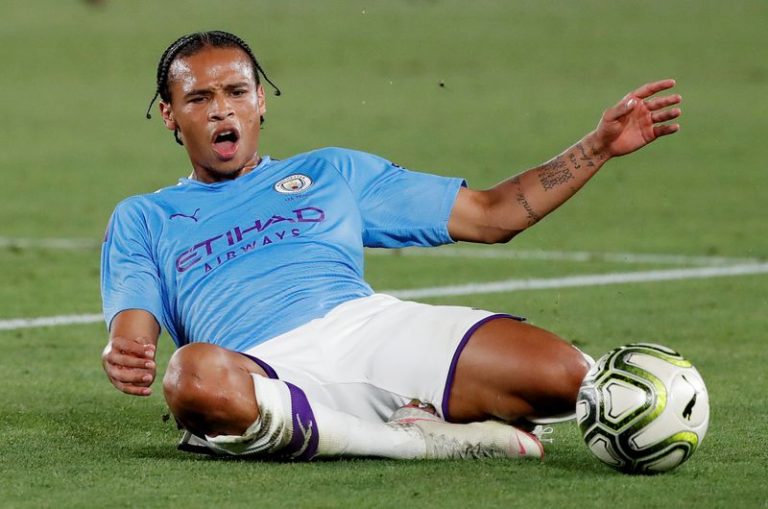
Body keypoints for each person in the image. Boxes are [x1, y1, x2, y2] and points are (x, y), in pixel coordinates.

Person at [101, 31, 682, 461]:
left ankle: (359, 428)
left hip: (370, 329)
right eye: (199, 98)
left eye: (236, 91)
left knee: (569, 375)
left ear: (261, 102)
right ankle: (410, 443)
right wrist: (125, 354)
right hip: (260, 367)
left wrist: (597, 147)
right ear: (169, 114)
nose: (221, 108)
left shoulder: (333, 172)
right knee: (190, 378)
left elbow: (492, 215)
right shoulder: (144, 217)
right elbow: (133, 332)